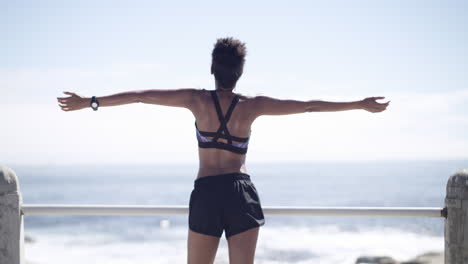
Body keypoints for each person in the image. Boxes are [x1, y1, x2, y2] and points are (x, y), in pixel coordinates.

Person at [57, 37, 390, 264]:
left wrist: (91, 102)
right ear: (240, 72)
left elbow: (141, 95)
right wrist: (359, 105)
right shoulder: (252, 106)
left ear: (212, 68)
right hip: (240, 193)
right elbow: (308, 107)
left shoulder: (196, 100)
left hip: (206, 192)